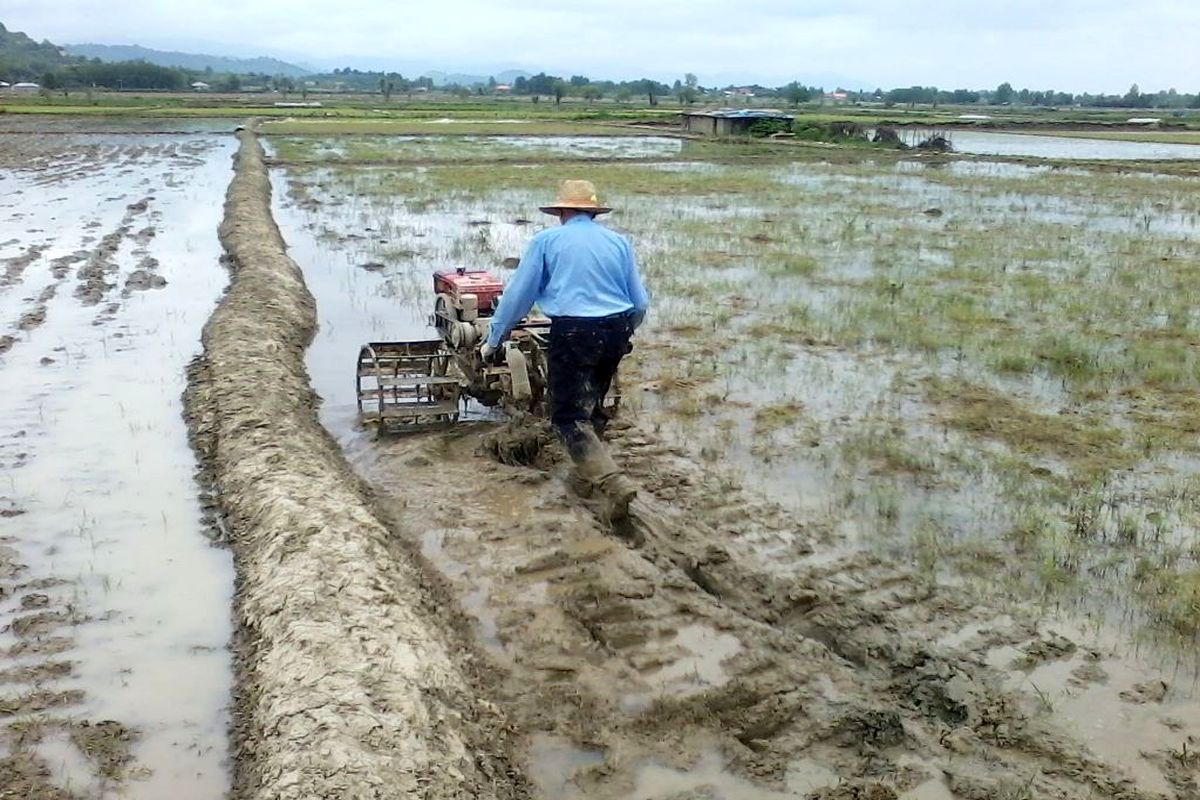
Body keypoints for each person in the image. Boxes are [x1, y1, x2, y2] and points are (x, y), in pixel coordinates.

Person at [482, 179, 649, 517]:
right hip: (617, 328)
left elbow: (519, 296)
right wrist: (624, 331)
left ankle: (610, 482)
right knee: (591, 404)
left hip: (574, 331)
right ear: (592, 213)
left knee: (567, 416)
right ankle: (588, 472)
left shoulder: (547, 241)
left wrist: (495, 338)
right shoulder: (618, 242)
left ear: (561, 211)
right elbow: (640, 302)